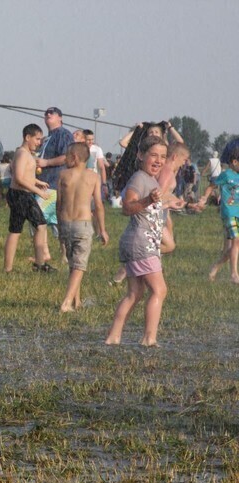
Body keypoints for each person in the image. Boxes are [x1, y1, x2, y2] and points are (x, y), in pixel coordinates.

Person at [105, 136, 168, 347]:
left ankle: (113, 337)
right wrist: (149, 199)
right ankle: (149, 338)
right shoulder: (139, 178)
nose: (159, 160)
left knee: (135, 293)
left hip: (139, 243)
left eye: (163, 157)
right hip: (141, 244)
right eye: (154, 155)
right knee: (159, 290)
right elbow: (127, 207)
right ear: (141, 155)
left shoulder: (151, 179)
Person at [56, 143, 109, 312]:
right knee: (80, 266)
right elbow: (99, 205)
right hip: (83, 224)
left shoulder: (63, 175)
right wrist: (102, 229)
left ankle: (76, 301)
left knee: (73, 263)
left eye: (67, 156)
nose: (65, 159)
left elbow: (58, 203)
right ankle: (66, 302)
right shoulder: (93, 177)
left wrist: (59, 225)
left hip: (65, 223)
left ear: (75, 157)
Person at [3, 124, 52, 273]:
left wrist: (37, 181)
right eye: (37, 139)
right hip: (21, 195)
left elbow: (25, 174)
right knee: (39, 226)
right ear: (27, 137)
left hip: (20, 194)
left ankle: (10, 268)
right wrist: (38, 191)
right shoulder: (23, 154)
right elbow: (18, 178)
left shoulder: (24, 153)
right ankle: (39, 264)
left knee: (17, 230)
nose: (39, 142)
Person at [36, 107, 75, 257]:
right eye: (46, 113)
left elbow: (67, 157)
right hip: (47, 183)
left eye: (52, 113)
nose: (48, 114)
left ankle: (46, 254)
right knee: (57, 222)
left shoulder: (63, 134)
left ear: (60, 118)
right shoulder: (48, 137)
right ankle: (62, 255)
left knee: (38, 217)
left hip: (55, 184)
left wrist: (46, 163)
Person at [198, 142, 239, 283]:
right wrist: (204, 197)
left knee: (232, 247)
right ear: (234, 162)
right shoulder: (226, 174)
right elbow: (211, 186)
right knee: (237, 241)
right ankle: (234, 274)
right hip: (229, 212)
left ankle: (214, 268)